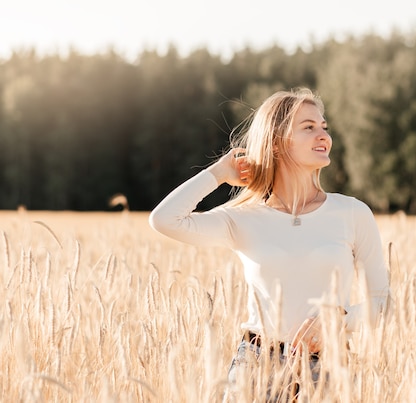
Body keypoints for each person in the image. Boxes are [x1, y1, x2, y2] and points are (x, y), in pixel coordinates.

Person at [149, 87, 390, 400]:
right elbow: (165, 220)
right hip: (256, 368)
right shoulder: (243, 218)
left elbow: (382, 302)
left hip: (330, 369)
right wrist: (219, 173)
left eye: (324, 127)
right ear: (276, 142)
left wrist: (338, 319)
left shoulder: (352, 212)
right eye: (309, 127)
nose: (323, 136)